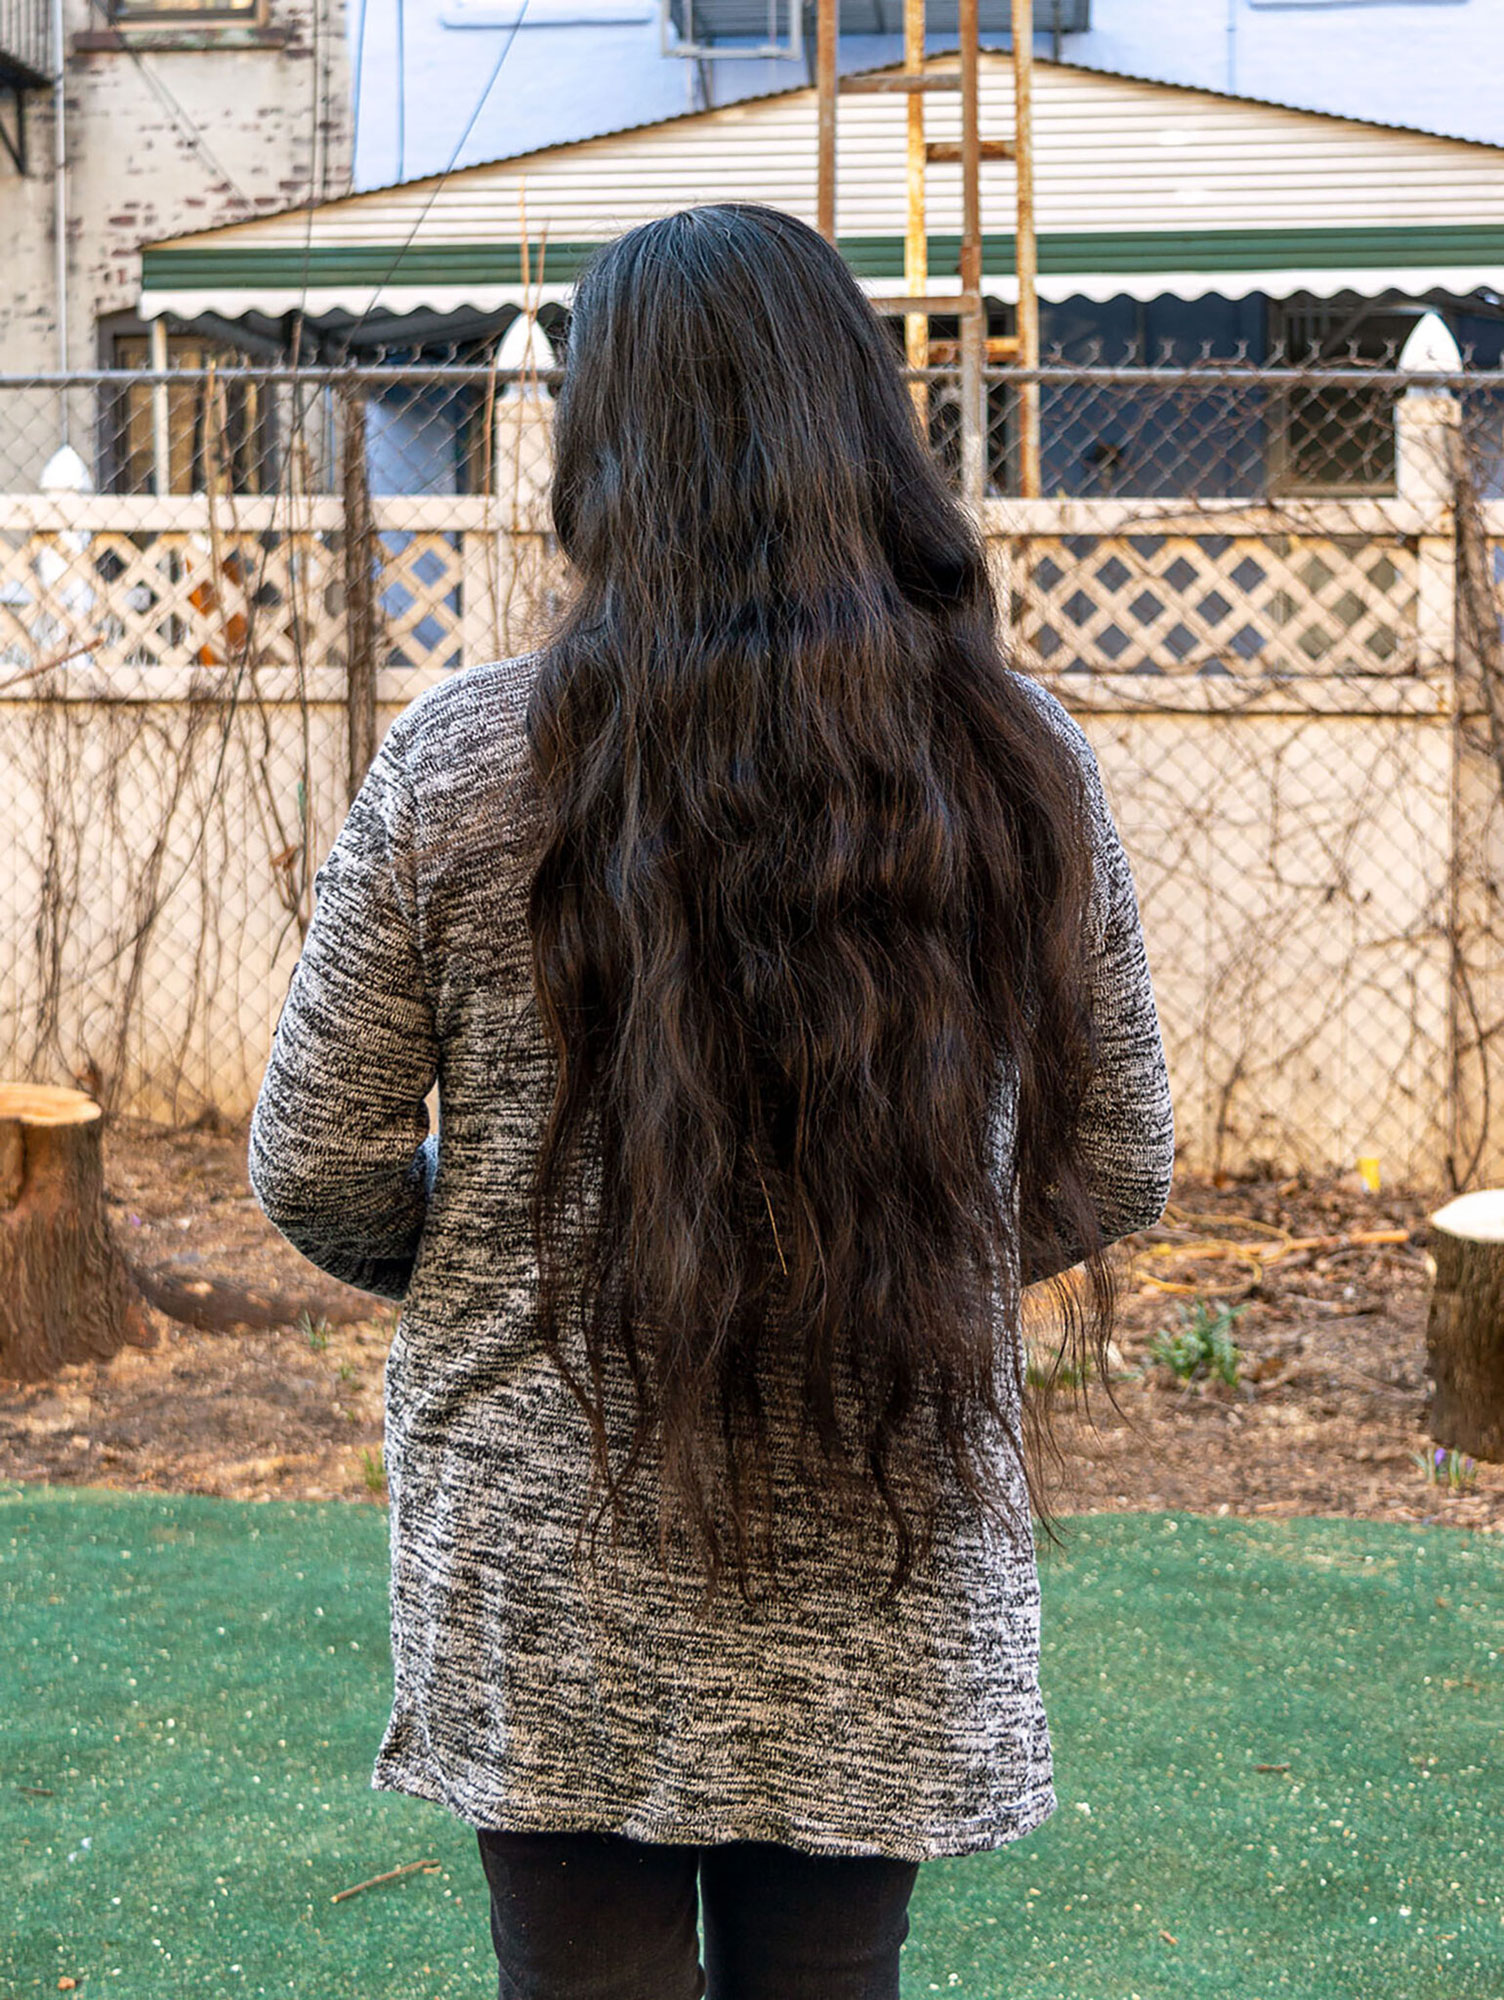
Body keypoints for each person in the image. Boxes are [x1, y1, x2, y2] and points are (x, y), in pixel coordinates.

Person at [248, 202, 1174, 2000]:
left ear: (603, 442)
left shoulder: (461, 764)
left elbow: (316, 1161)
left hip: (550, 1520)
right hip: (878, 1497)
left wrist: (501, 1257)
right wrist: (896, 1259)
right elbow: (1114, 1156)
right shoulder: (1015, 762)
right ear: (866, 430)